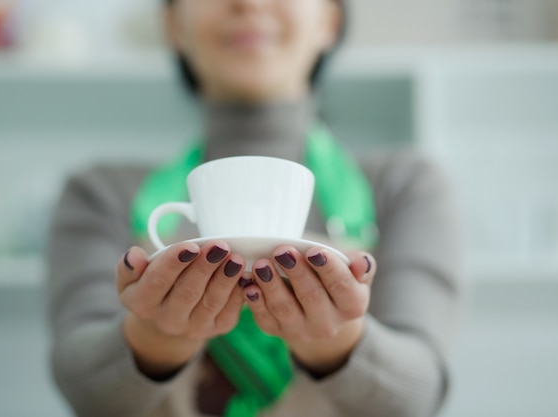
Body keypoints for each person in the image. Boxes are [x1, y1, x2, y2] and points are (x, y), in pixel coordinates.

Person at [46, 0, 464, 416]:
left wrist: (339, 344)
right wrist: (155, 342)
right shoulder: (100, 194)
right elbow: (82, 389)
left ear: (328, 20)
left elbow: (419, 394)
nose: (248, 3)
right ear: (174, 24)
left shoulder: (405, 187)